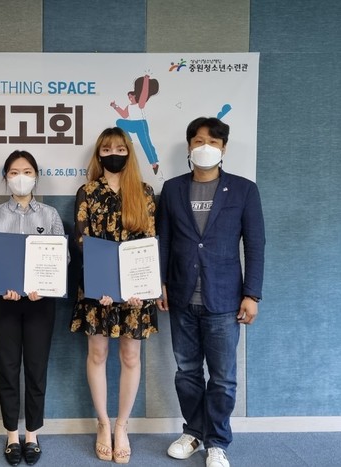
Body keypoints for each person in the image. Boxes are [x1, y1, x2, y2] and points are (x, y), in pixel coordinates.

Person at [156, 117, 265, 467]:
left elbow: (255, 244)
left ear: (223, 148)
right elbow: (164, 240)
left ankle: (217, 442)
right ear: (189, 146)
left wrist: (252, 294)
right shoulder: (172, 189)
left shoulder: (244, 190)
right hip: (181, 295)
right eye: (199, 141)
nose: (206, 147)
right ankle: (193, 432)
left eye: (213, 142)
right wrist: (159, 283)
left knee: (222, 378)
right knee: (187, 372)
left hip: (224, 298)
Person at [70, 127, 158, 464]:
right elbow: (82, 242)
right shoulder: (87, 192)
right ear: (99, 154)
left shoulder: (144, 192)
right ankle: (103, 423)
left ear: (129, 153)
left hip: (136, 293)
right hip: (99, 289)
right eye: (107, 149)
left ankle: (122, 425)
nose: (113, 154)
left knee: (131, 357)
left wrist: (140, 287)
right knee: (97, 353)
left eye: (120, 148)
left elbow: (149, 242)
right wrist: (102, 284)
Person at [0, 151, 65, 466]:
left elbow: (62, 257)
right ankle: (12, 434)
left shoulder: (50, 215)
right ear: (6, 178)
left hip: (41, 303)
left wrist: (47, 285)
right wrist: (2, 285)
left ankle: (32, 434)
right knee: (8, 367)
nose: (21, 178)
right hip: (5, 302)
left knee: (36, 369)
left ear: (36, 176)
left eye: (27, 171)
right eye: (14, 172)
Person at [111, 74, 160, 174]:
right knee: (119, 122)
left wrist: (146, 80)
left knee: (146, 143)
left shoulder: (140, 103)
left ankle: (154, 164)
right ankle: (129, 140)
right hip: (133, 124)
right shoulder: (129, 106)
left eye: (131, 96)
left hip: (141, 124)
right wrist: (115, 106)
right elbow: (124, 115)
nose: (130, 98)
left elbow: (144, 93)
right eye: (129, 96)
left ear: (135, 96)